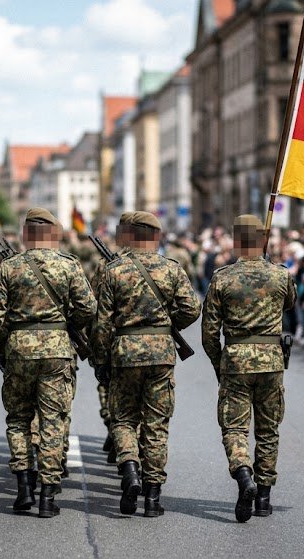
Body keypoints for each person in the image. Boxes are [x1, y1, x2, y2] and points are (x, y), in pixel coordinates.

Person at [0, 207, 96, 518]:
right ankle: (47, 495)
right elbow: (88, 307)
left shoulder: (9, 267)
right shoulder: (69, 265)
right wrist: (66, 324)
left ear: (26, 234)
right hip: (57, 349)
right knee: (52, 421)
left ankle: (23, 488)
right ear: (53, 234)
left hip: (19, 350)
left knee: (19, 420)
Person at [92, 211, 200, 517]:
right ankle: (152, 497)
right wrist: (167, 326)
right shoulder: (171, 268)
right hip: (161, 354)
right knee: (156, 424)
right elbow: (192, 308)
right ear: (155, 236)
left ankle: (130, 471)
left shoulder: (113, 270)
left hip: (125, 353)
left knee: (124, 419)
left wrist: (101, 359)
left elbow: (102, 323)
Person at [201, 214, 296, 523]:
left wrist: (219, 363)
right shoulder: (280, 275)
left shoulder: (222, 278)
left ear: (237, 241)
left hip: (236, 361)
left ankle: (244, 475)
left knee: (234, 428)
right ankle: (264, 498)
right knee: (268, 430)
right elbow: (290, 303)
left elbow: (209, 332)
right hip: (271, 361)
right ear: (263, 240)